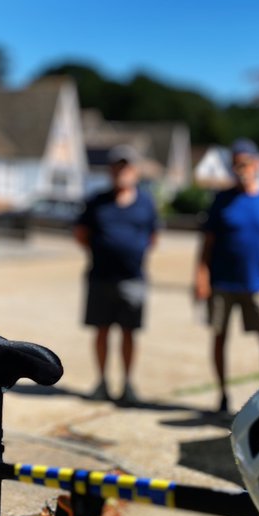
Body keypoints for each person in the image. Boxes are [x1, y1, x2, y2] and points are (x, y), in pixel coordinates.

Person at [194, 138, 259, 414]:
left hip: (258, 282)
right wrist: (201, 277)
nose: (241, 169)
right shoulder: (221, 200)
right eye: (236, 164)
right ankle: (222, 394)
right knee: (219, 337)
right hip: (222, 283)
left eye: (246, 163)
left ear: (256, 164)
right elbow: (207, 244)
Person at [73, 144, 158, 405]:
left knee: (129, 332)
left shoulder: (146, 203)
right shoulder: (97, 201)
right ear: (110, 170)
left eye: (126, 167)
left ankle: (128, 384)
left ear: (135, 171)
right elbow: (81, 234)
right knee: (101, 331)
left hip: (133, 278)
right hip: (101, 276)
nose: (122, 172)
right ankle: (102, 382)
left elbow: (153, 237)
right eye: (117, 167)